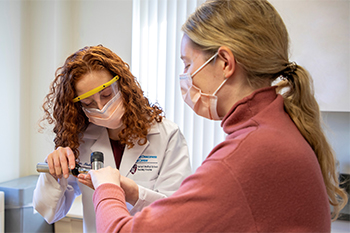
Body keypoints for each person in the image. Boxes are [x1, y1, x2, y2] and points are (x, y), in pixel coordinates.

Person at [87, 0, 348, 232]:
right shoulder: (277, 128)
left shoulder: (247, 154)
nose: (185, 76)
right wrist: (133, 192)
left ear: (225, 62)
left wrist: (106, 186)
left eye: (188, 64)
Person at [33, 45, 192, 232]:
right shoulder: (81, 140)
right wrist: (54, 173)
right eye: (88, 103)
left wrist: (134, 194)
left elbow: (178, 212)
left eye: (107, 95)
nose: (101, 107)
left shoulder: (166, 135)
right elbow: (50, 212)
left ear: (123, 86)